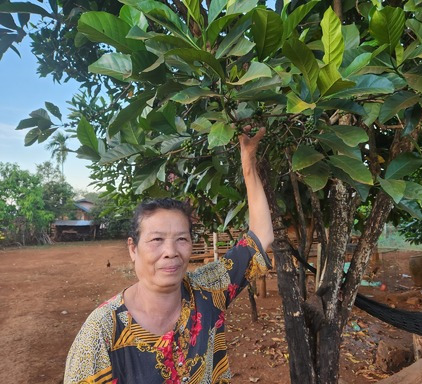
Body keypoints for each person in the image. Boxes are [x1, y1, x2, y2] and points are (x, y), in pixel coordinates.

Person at [64, 127, 274, 384]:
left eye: (182, 239)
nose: (171, 252)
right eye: (156, 240)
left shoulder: (208, 290)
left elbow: (261, 236)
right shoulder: (102, 331)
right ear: (133, 248)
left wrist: (248, 166)